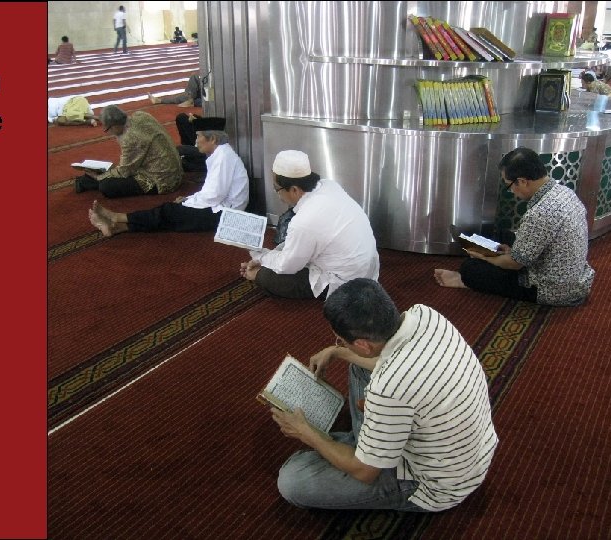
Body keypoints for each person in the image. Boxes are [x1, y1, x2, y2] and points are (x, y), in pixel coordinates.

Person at [271, 278, 498, 512]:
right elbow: (388, 364)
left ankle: (365, 447)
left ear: (363, 344)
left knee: (293, 479)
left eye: (340, 339)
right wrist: (337, 352)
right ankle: (371, 442)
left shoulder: (389, 387)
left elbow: (365, 473)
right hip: (471, 455)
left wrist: (308, 434)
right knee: (359, 366)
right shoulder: (425, 314)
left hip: (435, 485)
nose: (339, 343)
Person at [434, 147, 595, 306]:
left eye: (509, 185)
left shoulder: (540, 213)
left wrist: (482, 256)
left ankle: (466, 281)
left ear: (522, 181)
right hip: (571, 276)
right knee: (503, 236)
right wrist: (509, 252)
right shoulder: (564, 191)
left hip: (552, 289)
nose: (511, 191)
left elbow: (515, 264)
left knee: (470, 270)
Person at [239, 150, 379, 300]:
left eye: (277, 189)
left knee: (268, 277)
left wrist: (262, 262)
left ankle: (258, 274)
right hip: (366, 269)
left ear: (294, 189)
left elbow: (287, 266)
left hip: (346, 282)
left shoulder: (304, 221)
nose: (278, 195)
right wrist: (265, 258)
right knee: (283, 255)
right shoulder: (329, 186)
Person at [87, 130, 248, 236]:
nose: (196, 141)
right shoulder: (220, 154)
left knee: (169, 212)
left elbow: (214, 195)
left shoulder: (224, 158)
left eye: (199, 136)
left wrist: (189, 201)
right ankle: (118, 227)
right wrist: (189, 198)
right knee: (169, 215)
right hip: (220, 209)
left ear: (212, 139)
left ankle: (117, 217)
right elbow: (212, 191)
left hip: (225, 216)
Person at [74, 105, 183, 198]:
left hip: (162, 181)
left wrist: (99, 177)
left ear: (115, 125)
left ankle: (88, 181)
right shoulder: (141, 115)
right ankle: (88, 180)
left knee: (106, 186)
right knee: (109, 174)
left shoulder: (129, 138)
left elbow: (124, 172)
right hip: (175, 172)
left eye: (108, 129)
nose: (109, 133)